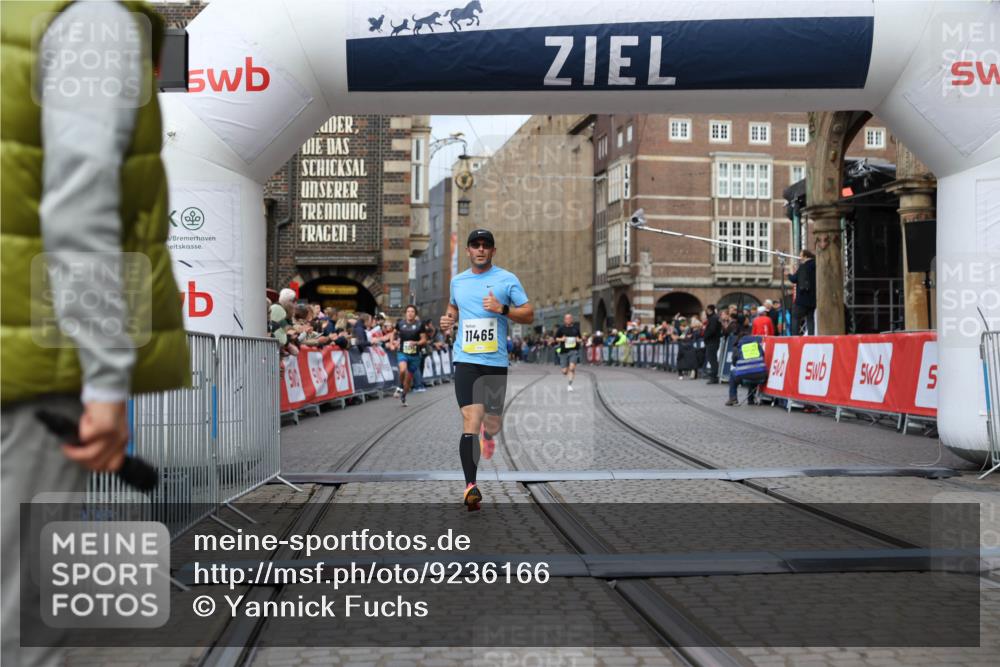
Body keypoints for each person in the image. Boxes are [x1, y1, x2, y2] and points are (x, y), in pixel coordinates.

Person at [1, 3, 189, 665]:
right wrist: (107, 378)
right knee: (20, 617)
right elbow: (81, 204)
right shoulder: (91, 20)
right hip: (34, 368)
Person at [440, 229, 533, 511]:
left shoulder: (507, 279)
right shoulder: (458, 281)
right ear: (468, 251)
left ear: (493, 251)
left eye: (485, 246)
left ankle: (488, 436)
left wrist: (502, 308)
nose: (480, 250)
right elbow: (453, 307)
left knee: (491, 423)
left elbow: (529, 314)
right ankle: (471, 486)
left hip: (494, 362)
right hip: (466, 359)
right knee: (470, 419)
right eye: (475, 245)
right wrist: (448, 320)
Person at [394, 305, 427, 406]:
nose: (410, 313)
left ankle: (403, 396)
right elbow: (393, 333)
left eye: (412, 311)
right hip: (402, 352)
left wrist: (416, 343)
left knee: (408, 380)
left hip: (415, 356)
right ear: (405, 313)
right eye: (408, 311)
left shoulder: (420, 325)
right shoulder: (400, 324)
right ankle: (399, 387)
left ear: (415, 314)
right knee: (403, 369)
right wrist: (393, 342)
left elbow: (424, 340)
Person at [726, 335, 768, 406]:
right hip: (762, 377)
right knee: (753, 371)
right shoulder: (757, 345)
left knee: (734, 373)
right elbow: (763, 356)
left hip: (745, 377)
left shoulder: (738, 347)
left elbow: (734, 363)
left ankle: (733, 398)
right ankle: (750, 399)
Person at [788, 249, 817, 335]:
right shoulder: (817, 265)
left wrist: (788, 274)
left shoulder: (803, 266)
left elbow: (794, 279)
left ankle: (795, 336)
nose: (800, 258)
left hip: (802, 298)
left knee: (795, 317)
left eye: (801, 256)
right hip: (813, 299)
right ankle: (811, 336)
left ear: (805, 256)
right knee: (810, 319)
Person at [554, 313, 582, 391]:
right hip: (563, 351)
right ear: (564, 320)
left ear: (572, 319)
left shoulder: (576, 329)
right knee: (564, 371)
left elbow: (580, 339)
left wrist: (578, 340)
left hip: (573, 350)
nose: (568, 320)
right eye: (567, 318)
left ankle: (569, 385)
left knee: (572, 368)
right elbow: (555, 338)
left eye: (570, 318)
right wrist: (561, 339)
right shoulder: (561, 329)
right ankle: (566, 370)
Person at [703, 305, 722, 384]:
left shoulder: (713, 318)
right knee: (711, 358)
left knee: (712, 359)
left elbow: (712, 330)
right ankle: (714, 375)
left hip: (712, 341)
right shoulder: (713, 318)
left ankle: (714, 377)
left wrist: (706, 335)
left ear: (709, 310)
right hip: (712, 341)